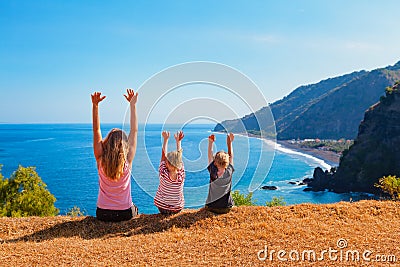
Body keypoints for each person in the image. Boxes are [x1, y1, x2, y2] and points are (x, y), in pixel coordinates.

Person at [91, 89, 139, 222]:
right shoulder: (127, 160)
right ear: (124, 146)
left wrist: (95, 106)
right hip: (125, 213)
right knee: (136, 209)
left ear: (107, 142)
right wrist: (132, 105)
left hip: (103, 213)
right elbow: (134, 130)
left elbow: (96, 130)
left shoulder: (100, 159)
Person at [154, 130, 185, 215]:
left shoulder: (163, 174)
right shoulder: (181, 176)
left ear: (167, 163)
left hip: (163, 208)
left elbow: (163, 157)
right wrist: (178, 142)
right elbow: (179, 158)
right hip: (177, 209)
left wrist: (165, 140)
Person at [205, 133, 235, 214]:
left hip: (212, 207)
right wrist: (229, 142)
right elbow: (231, 155)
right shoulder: (229, 171)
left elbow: (209, 155)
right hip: (226, 207)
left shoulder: (213, 170)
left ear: (215, 162)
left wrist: (210, 142)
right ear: (227, 162)